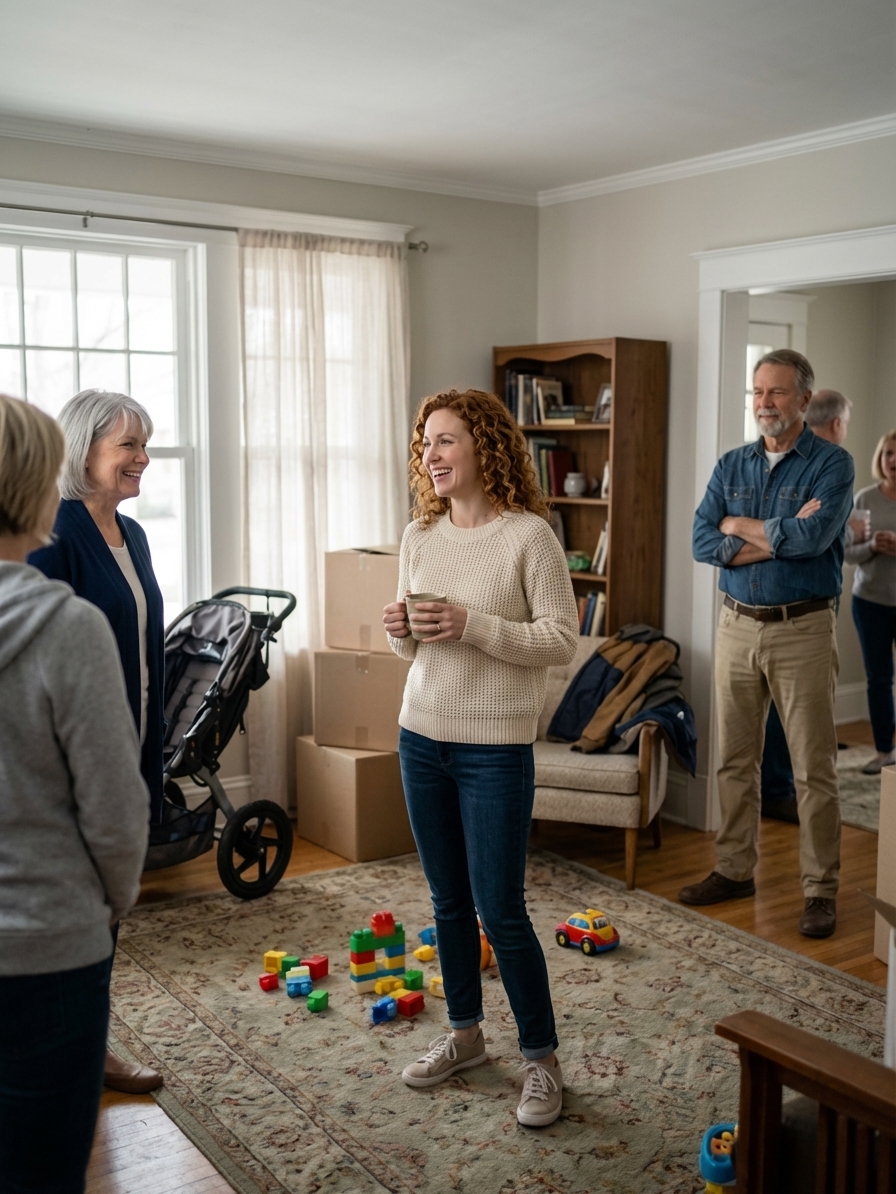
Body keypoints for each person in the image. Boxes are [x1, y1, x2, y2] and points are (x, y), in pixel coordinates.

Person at [382, 388, 578, 1127]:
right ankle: (464, 1035)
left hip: (495, 749)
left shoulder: (530, 537)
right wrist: (400, 627)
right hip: (421, 736)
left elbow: (559, 641)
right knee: (446, 903)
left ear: (485, 448)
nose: (430, 455)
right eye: (425, 443)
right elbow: (408, 647)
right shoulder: (419, 536)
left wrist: (473, 623)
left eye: (445, 441)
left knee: (502, 908)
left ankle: (542, 1061)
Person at [0, 394, 149, 1194]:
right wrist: (112, 901)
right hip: (50, 944)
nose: (142, 458)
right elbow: (114, 817)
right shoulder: (63, 625)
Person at [682, 349, 854, 939]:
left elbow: (813, 539)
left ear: (804, 400)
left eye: (777, 393)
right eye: (758, 392)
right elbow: (703, 540)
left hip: (803, 628)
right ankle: (733, 869)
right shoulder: (732, 465)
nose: (764, 404)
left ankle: (819, 890)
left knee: (813, 768)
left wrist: (742, 527)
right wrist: (768, 536)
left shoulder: (832, 465)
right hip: (736, 625)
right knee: (733, 759)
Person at [28, 389, 166, 1094]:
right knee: (84, 918)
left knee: (110, 914)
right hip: (72, 764)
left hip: (132, 744)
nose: (143, 458)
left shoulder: (133, 534)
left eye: (145, 444)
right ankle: (79, 1052)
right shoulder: (56, 535)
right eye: (129, 446)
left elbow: (149, 652)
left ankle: (88, 1043)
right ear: (84, 453)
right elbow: (44, 660)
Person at [760, 389, 860, 823]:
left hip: (801, 605)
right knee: (791, 713)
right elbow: (800, 541)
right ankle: (780, 789)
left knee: (795, 713)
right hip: (801, 611)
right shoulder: (822, 465)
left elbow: (811, 538)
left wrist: (763, 531)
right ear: (837, 423)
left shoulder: (828, 467)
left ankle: (781, 786)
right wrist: (791, 532)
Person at [844, 428, 896, 774]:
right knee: (879, 679)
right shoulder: (863, 499)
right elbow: (848, 553)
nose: (893, 460)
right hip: (871, 603)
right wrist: (872, 547)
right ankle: (883, 751)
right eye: (888, 453)